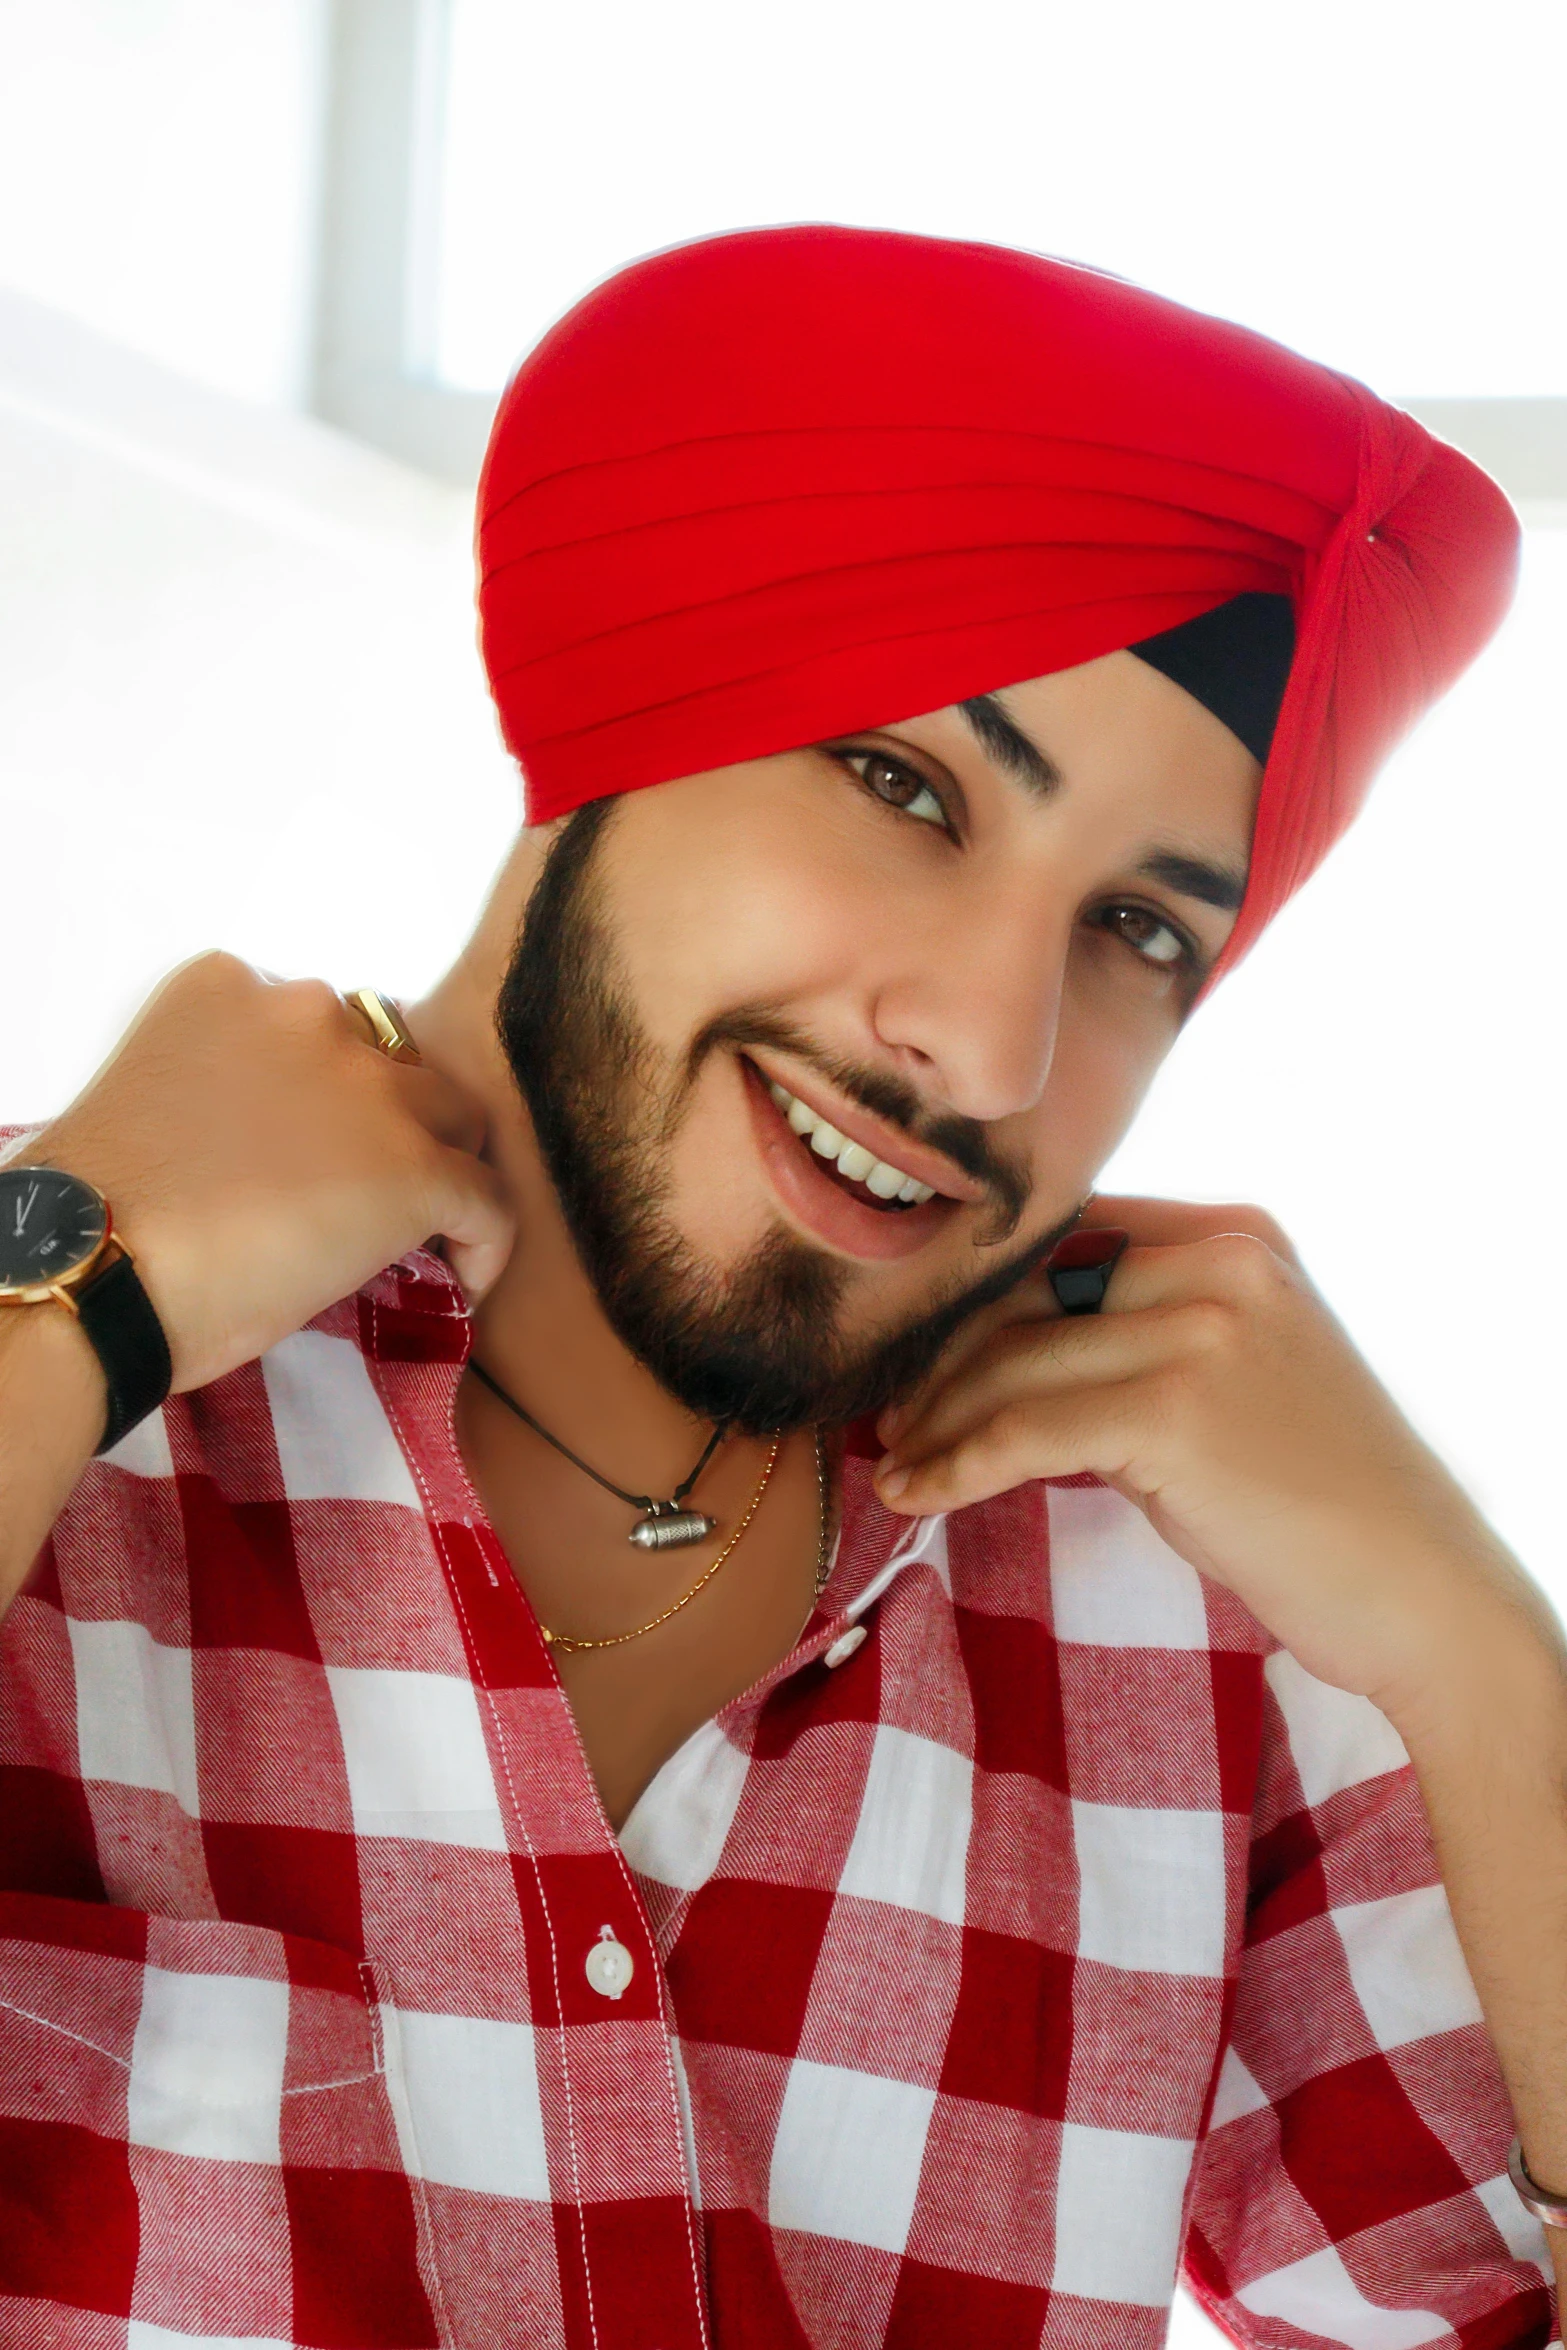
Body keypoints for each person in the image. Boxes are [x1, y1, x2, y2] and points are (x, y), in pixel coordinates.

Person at [0, 225, 1559, 2350]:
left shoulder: (1195, 1605)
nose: (992, 1045)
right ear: (613, 713)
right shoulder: (69, 1377)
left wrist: (1489, 1654)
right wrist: (55, 1299)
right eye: (910, 787)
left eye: (1144, 933)